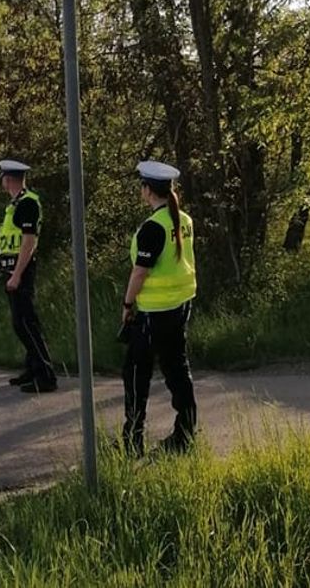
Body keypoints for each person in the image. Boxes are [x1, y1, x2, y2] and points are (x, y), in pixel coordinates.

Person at [118, 161, 198, 456]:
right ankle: (185, 435)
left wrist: (127, 305)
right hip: (180, 306)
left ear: (147, 190)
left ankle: (133, 439)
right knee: (178, 370)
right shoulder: (184, 220)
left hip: (154, 312)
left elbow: (140, 272)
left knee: (136, 373)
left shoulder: (153, 227)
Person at [0, 159, 58, 393]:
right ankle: (32, 368)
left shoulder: (27, 204)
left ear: (8, 179)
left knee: (25, 323)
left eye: (3, 177)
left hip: (20, 269)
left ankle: (45, 375)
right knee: (21, 321)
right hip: (12, 267)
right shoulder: (17, 203)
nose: (2, 181)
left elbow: (28, 242)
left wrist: (17, 275)